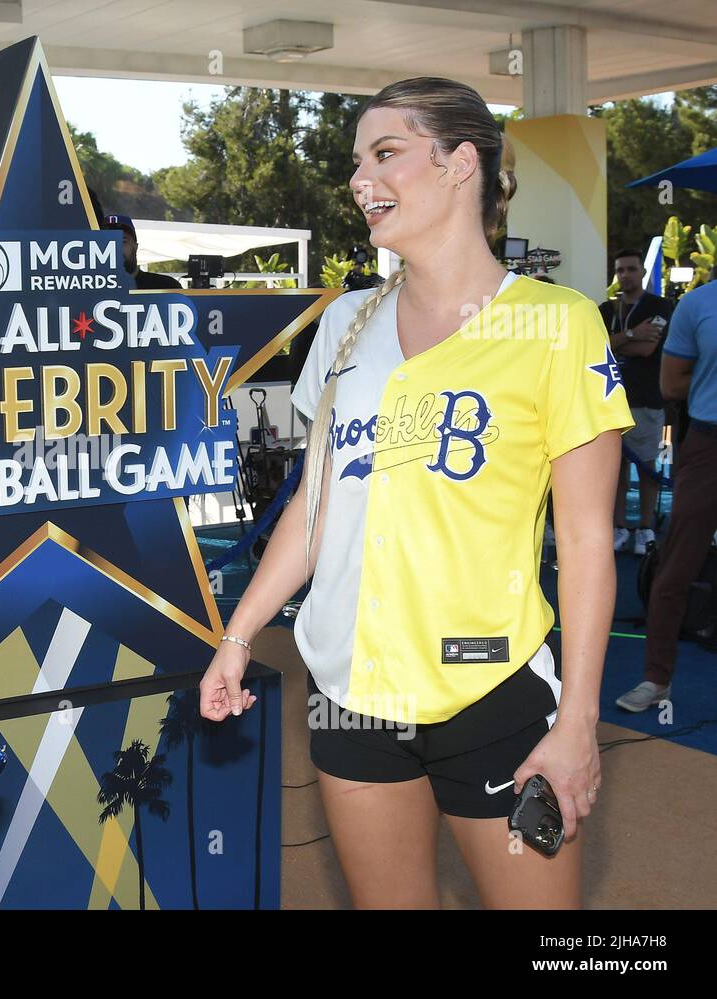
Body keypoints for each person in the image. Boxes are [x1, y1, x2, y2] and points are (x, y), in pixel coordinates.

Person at [200, 77, 633, 908]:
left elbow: (585, 542)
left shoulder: (556, 323)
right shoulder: (344, 323)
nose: (362, 179)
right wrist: (241, 633)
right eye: (357, 161)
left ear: (460, 163)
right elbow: (314, 507)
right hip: (349, 689)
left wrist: (579, 718)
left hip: (491, 687)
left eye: (386, 154)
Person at [616, 275, 717, 712]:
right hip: (708, 443)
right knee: (675, 569)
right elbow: (671, 385)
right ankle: (657, 680)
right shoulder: (698, 305)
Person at [599, 250, 672, 554]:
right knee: (613, 470)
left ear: (642, 272)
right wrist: (631, 333)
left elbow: (647, 349)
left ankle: (644, 527)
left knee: (645, 468)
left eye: (631, 269)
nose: (625, 275)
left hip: (645, 400)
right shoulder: (605, 309)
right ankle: (618, 526)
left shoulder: (660, 306)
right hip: (608, 399)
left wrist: (618, 341)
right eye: (620, 270)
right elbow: (598, 345)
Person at [103, 213, 181, 289]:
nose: (116, 247)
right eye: (109, 241)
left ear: (135, 246)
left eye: (123, 241)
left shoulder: (167, 286)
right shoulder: (92, 291)